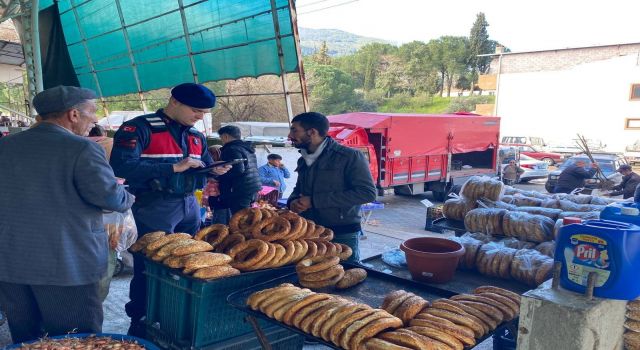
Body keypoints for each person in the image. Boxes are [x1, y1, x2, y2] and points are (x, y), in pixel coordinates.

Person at [0, 85, 135, 342]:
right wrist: (127, 196)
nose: (95, 119)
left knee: (25, 336)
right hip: (64, 263)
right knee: (76, 337)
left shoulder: (5, 146)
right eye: (92, 112)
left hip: (9, 261)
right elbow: (109, 197)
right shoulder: (82, 149)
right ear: (73, 114)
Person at [109, 83, 230, 337]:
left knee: (186, 263)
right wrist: (172, 168)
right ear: (174, 101)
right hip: (154, 205)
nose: (200, 116)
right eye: (196, 110)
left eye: (204, 112)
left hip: (189, 205)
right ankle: (140, 321)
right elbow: (120, 167)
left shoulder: (196, 136)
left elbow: (203, 164)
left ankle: (176, 317)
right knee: (150, 267)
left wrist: (214, 169)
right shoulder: (140, 128)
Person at [287, 112, 376, 262]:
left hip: (341, 233)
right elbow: (298, 189)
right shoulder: (303, 160)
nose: (290, 135)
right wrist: (293, 201)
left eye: (294, 130)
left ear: (312, 132)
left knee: (346, 277)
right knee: (310, 278)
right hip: (310, 232)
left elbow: (367, 193)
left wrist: (314, 201)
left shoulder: (350, 157)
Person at [217, 125, 262, 215]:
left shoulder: (231, 149)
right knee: (248, 217)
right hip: (253, 187)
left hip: (239, 190)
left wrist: (218, 176)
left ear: (225, 136)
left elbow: (238, 170)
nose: (221, 140)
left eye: (221, 137)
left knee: (239, 219)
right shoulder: (247, 148)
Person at [202, 145, 228, 224]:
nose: (210, 157)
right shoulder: (212, 166)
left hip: (219, 200)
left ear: (218, 153)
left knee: (219, 222)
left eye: (211, 154)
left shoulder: (224, 166)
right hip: (215, 200)